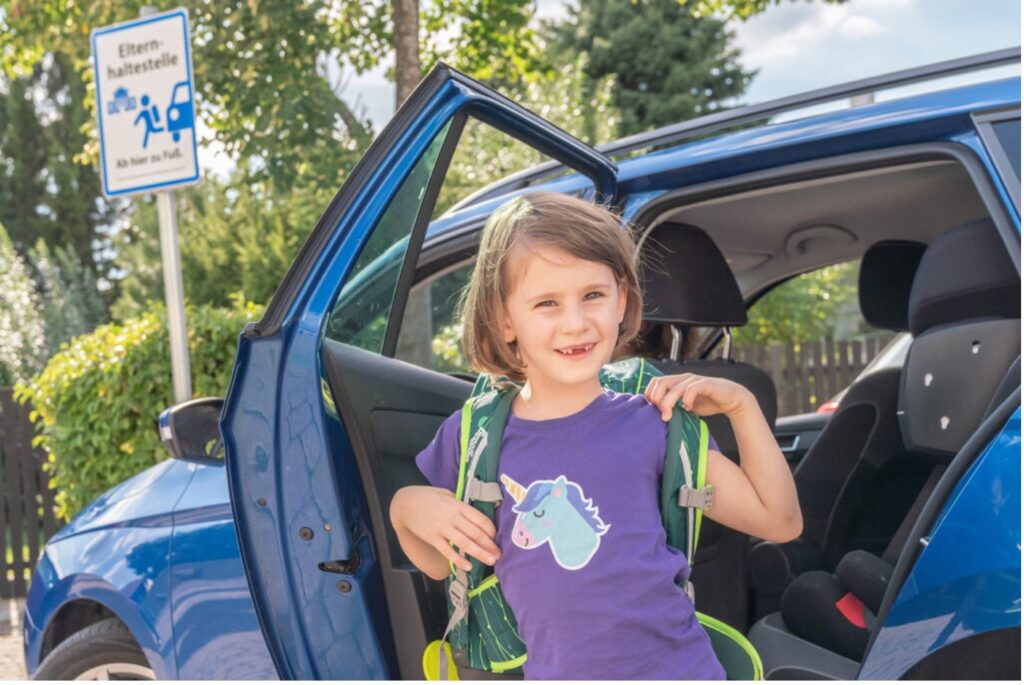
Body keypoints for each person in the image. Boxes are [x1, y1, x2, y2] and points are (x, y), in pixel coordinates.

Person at [389, 191, 801, 680]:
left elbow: (780, 523)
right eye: (546, 303)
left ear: (621, 299)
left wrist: (742, 407)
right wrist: (406, 509)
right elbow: (438, 566)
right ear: (504, 320)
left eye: (593, 295)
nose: (576, 323)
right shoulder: (475, 436)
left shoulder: (655, 422)